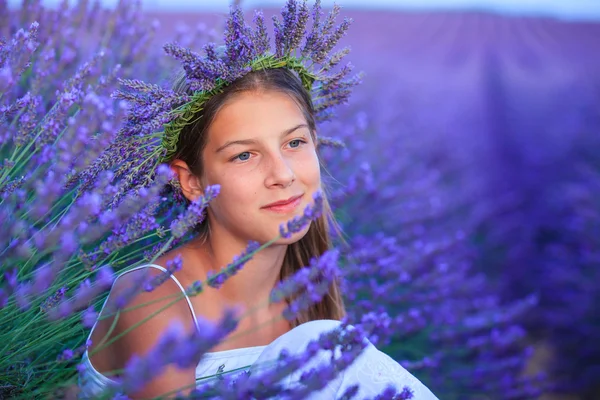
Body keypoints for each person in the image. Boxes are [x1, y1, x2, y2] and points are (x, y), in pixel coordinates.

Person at [78, 1, 439, 399]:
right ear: (191, 182)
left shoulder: (307, 296)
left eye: (295, 142)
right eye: (244, 155)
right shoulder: (156, 299)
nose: (283, 174)